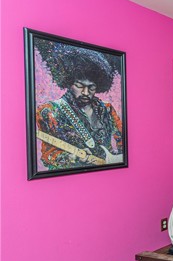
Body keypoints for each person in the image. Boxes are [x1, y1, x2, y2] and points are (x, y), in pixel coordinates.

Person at [34, 41, 124, 169]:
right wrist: (71, 158)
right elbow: (48, 155)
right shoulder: (49, 111)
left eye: (91, 87)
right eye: (79, 86)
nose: (86, 92)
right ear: (69, 82)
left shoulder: (107, 109)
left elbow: (122, 141)